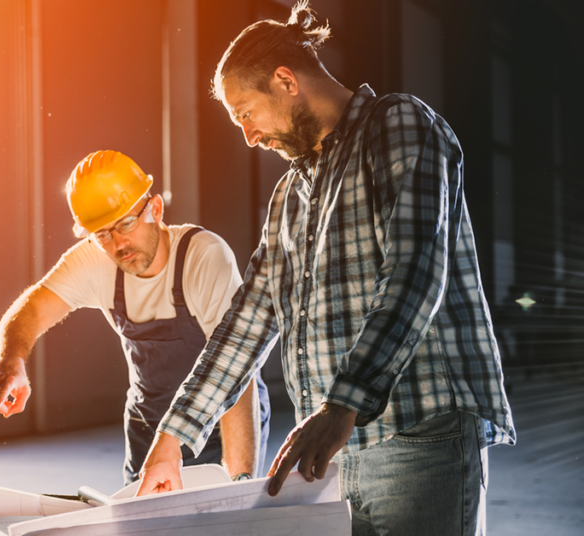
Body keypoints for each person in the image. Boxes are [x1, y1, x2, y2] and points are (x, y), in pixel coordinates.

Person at [134, 2, 515, 535]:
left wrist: (344, 405)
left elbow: (413, 275)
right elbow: (246, 322)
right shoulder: (291, 194)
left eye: (246, 112)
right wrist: (173, 437)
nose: (248, 135)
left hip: (419, 440)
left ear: (285, 80)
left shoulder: (399, 126)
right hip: (333, 452)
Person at [0, 150, 270, 485]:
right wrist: (9, 358)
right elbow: (31, 307)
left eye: (127, 223)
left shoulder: (203, 257)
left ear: (156, 209)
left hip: (220, 426)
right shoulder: (95, 260)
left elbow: (236, 372)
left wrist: (238, 482)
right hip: (148, 428)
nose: (118, 243)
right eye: (102, 234)